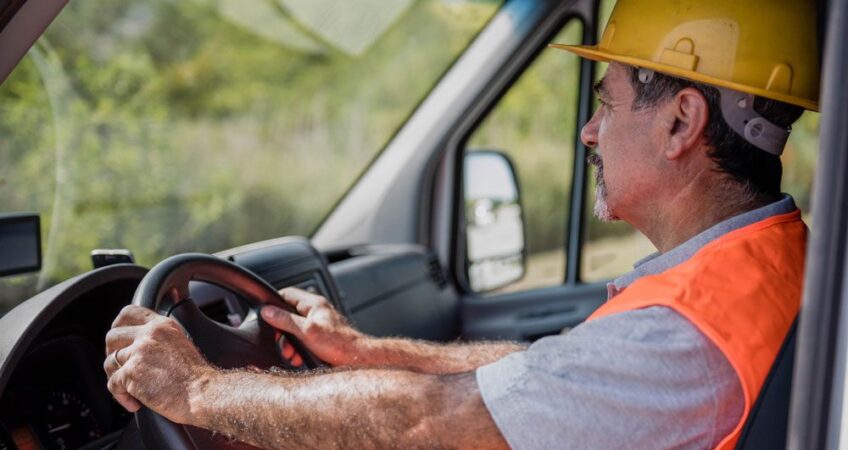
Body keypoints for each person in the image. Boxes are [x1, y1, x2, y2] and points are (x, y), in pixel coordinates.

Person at [104, 0, 820, 448]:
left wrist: (200, 391)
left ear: (681, 122)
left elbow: (430, 421)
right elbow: (545, 379)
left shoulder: (680, 337)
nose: (588, 132)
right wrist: (359, 351)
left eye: (609, 102)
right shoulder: (769, 260)